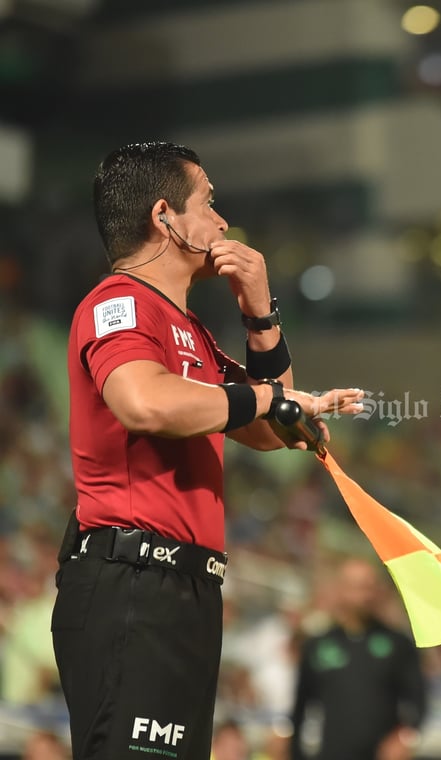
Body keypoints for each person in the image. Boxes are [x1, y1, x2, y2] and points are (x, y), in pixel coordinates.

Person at [51, 141, 365, 760]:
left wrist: (259, 314)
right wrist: (270, 402)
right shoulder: (117, 303)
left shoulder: (188, 330)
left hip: (184, 591)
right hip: (131, 582)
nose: (222, 223)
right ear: (165, 217)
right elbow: (148, 402)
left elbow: (277, 430)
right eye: (209, 204)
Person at [289, 558, 427, 760]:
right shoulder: (318, 646)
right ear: (340, 589)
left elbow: (418, 700)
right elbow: (300, 707)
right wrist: (295, 751)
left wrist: (405, 738)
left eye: (370, 587)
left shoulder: (398, 644)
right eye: (358, 587)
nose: (365, 595)